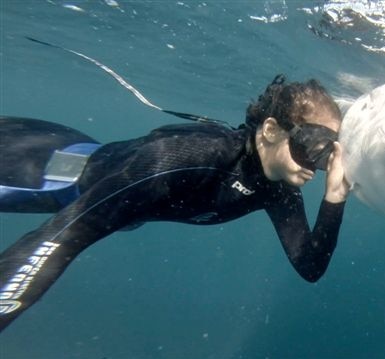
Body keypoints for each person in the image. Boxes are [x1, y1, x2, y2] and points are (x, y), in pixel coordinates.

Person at [0, 75, 349, 332]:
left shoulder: (280, 189)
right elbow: (59, 239)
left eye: (325, 156)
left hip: (79, 163)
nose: (315, 165)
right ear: (271, 129)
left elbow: (310, 264)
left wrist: (335, 197)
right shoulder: (195, 156)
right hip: (40, 173)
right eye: (312, 146)